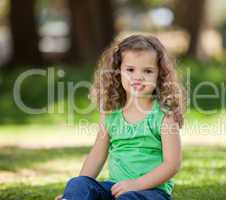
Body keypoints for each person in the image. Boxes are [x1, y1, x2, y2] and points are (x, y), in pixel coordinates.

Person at [55, 34, 186, 200]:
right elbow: (97, 154)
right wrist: (78, 191)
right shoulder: (110, 113)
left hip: (151, 191)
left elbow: (172, 164)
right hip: (114, 188)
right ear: (117, 72)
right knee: (78, 184)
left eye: (147, 71)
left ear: (159, 75)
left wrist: (137, 184)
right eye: (130, 70)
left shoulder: (164, 115)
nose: (138, 77)